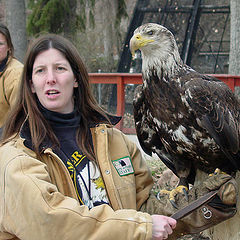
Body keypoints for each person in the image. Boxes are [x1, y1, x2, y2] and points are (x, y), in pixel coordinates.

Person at [0, 34, 237, 240]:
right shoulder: (17, 156)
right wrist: (141, 228)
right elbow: (48, 222)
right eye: (40, 71)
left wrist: (201, 204)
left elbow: (144, 211)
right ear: (31, 84)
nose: (50, 78)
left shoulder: (115, 143)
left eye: (60, 69)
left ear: (75, 79)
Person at [0, 23, 23, 136]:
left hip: (9, 135)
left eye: (0, 44)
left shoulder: (16, 74)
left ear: (9, 46)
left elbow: (20, 118)